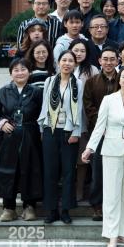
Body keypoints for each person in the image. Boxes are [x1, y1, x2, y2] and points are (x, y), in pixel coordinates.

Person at [82, 65, 124, 247]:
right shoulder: (109, 100)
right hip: (111, 149)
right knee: (111, 193)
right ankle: (112, 234)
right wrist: (90, 148)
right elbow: (99, 126)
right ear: (119, 79)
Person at [0, 58, 44, 222]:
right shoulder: (3, 91)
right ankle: (9, 207)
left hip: (31, 136)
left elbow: (44, 112)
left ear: (29, 72)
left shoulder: (37, 92)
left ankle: (30, 206)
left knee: (30, 169)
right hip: (9, 137)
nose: (20, 73)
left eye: (23, 69)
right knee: (7, 171)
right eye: (16, 70)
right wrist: (2, 122)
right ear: (10, 73)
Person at [38, 51, 83, 224]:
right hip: (50, 129)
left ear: (75, 64)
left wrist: (76, 132)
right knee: (50, 171)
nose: (67, 63)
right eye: (64, 60)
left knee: (68, 172)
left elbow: (79, 109)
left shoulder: (78, 83)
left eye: (71, 60)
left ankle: (65, 210)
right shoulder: (50, 81)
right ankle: (51, 210)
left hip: (69, 132)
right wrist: (42, 129)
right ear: (58, 62)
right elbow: (45, 105)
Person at [83, 47, 120, 221]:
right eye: (105, 59)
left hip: (119, 131)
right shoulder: (91, 82)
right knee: (98, 170)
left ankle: (115, 204)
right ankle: (97, 205)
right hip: (98, 133)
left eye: (112, 59)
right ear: (99, 61)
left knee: (117, 171)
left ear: (117, 61)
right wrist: (102, 125)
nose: (108, 62)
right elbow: (88, 107)